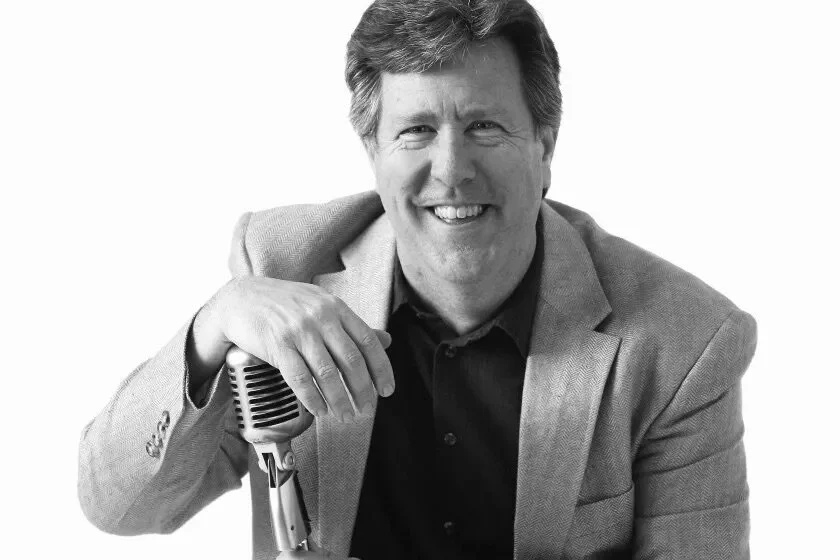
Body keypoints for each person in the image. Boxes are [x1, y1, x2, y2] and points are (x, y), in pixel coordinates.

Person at [78, 1, 758, 559]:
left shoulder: (683, 341)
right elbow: (120, 507)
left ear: (544, 147)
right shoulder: (286, 269)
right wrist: (210, 330)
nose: (452, 170)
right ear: (373, 153)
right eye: (416, 131)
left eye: (484, 126)